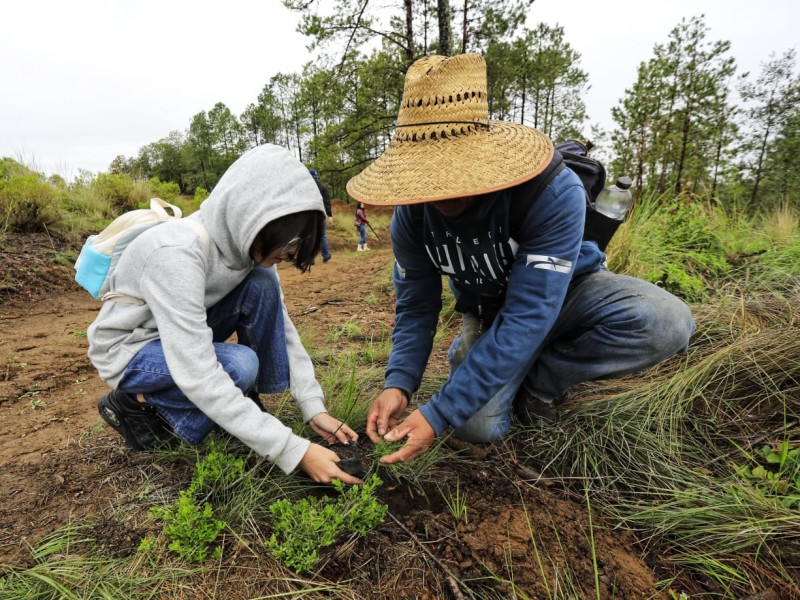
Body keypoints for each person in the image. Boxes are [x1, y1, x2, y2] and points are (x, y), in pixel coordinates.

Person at [346, 53, 695, 465]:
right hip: (490, 310)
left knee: (666, 321)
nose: (436, 195)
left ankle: (542, 381)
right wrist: (399, 384)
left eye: (449, 176)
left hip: (571, 291)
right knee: (476, 426)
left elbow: (532, 313)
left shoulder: (549, 190)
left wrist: (438, 411)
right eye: (426, 179)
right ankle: (492, 356)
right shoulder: (413, 217)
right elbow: (417, 305)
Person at [89, 144, 362, 485]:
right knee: (239, 365)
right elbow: (199, 371)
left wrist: (312, 405)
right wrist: (292, 450)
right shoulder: (176, 253)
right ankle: (138, 406)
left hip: (177, 336)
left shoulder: (252, 253)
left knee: (262, 287)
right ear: (256, 216)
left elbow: (283, 328)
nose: (290, 253)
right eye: (290, 243)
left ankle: (242, 406)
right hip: (130, 349)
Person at [309, 168, 333, 263]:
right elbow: (327, 203)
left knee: (310, 236)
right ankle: (326, 256)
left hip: (310, 216)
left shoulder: (306, 189)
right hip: (321, 215)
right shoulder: (323, 188)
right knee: (322, 235)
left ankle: (311, 258)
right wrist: (329, 215)